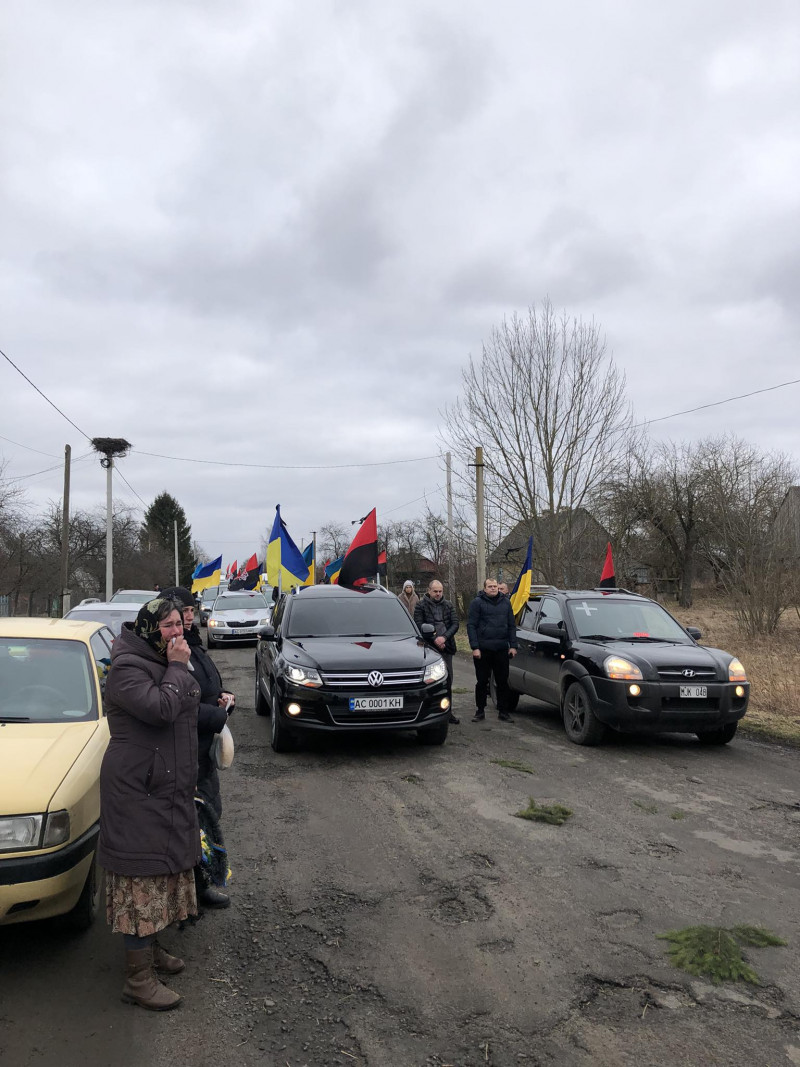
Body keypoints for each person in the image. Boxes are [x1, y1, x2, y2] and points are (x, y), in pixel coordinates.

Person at [98, 597, 202, 1011]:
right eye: (167, 626)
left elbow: (189, 698)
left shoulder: (161, 662)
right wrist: (178, 668)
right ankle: (137, 980)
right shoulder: (126, 668)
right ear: (147, 629)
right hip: (136, 791)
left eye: (179, 624)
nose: (177, 632)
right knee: (139, 880)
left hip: (162, 785)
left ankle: (152, 952)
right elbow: (161, 710)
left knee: (159, 875)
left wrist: (180, 669)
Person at [162, 586, 235, 910]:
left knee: (207, 816)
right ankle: (192, 891)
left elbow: (205, 687)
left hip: (203, 748)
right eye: (181, 613)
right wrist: (218, 712)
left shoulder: (193, 645)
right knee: (192, 823)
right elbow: (180, 704)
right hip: (186, 750)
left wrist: (223, 696)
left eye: (190, 611)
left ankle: (199, 884)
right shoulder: (170, 654)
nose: (188, 617)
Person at [467, 577, 518, 723]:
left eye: (495, 586)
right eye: (490, 586)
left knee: (502, 682)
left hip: (501, 648)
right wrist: (475, 647)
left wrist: (513, 645)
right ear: (484, 588)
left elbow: (511, 626)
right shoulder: (477, 603)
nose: (493, 588)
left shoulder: (506, 603)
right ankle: (480, 711)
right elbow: (471, 626)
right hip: (483, 650)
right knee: (482, 681)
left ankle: (503, 711)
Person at [414, 580, 460, 725]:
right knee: (432, 682)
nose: (438, 594)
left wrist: (444, 638)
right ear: (429, 590)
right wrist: (435, 639)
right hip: (430, 648)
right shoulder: (421, 606)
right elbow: (419, 625)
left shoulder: (448, 605)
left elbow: (455, 623)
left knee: (448, 680)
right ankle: (430, 711)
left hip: (447, 646)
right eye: (435, 591)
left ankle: (448, 711)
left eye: (440, 591)